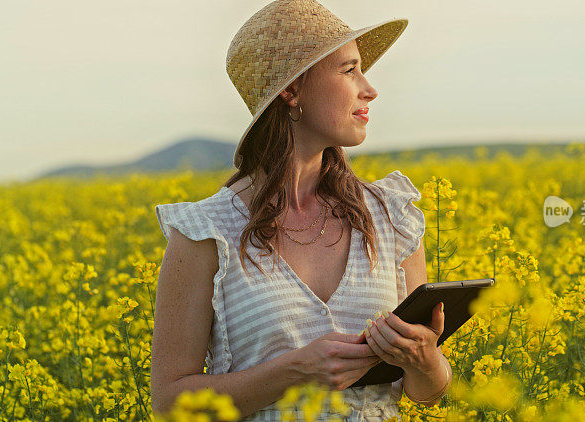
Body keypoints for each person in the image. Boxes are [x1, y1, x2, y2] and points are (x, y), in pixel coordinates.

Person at [150, 0, 451, 420]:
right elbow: (168, 405)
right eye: (349, 70)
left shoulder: (390, 215)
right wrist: (295, 371)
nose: (369, 88)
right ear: (291, 91)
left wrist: (426, 360)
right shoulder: (205, 232)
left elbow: (425, 393)